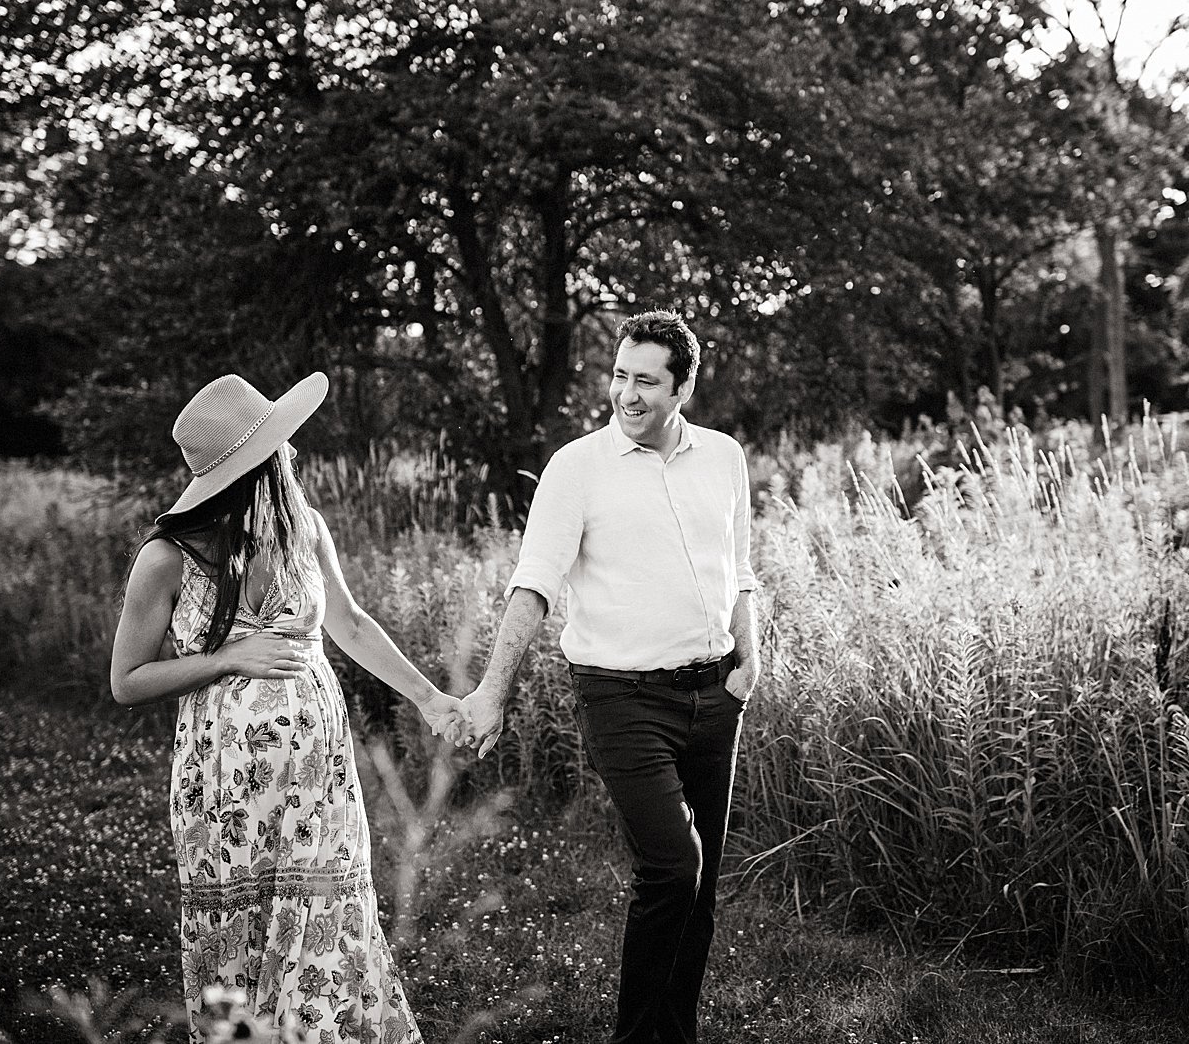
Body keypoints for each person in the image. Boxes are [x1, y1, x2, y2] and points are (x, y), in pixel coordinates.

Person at [110, 371, 460, 1043]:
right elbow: (126, 679)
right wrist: (225, 658)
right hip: (225, 789)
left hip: (317, 779)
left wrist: (430, 697)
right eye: (280, 444)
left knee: (326, 916)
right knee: (239, 934)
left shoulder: (305, 528)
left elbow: (351, 624)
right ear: (255, 463)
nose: (292, 453)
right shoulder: (166, 557)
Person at [460, 310, 763, 1044]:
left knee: (700, 887)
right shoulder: (577, 467)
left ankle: (675, 1033)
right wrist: (491, 693)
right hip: (620, 696)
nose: (627, 393)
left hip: (716, 691)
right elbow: (533, 585)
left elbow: (740, 569)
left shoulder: (724, 457)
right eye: (620, 375)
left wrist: (750, 658)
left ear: (684, 386)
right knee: (672, 866)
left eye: (646, 380)